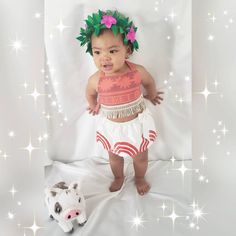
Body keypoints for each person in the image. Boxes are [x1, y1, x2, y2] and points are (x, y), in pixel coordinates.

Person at [77, 10, 163, 195]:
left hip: (136, 125)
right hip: (112, 128)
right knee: (114, 158)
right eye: (97, 52)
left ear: (128, 51)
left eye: (113, 51)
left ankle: (139, 177)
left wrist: (152, 94)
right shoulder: (96, 79)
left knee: (140, 157)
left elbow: (149, 81)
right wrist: (93, 104)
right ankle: (118, 176)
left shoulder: (136, 71)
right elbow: (89, 93)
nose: (104, 57)